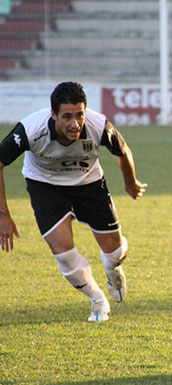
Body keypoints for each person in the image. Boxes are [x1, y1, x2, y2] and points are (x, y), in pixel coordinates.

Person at [0, 81, 147, 322]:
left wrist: (130, 182)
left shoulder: (98, 125)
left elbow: (123, 150)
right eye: (67, 116)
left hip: (89, 184)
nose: (75, 123)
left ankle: (112, 268)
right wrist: (3, 214)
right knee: (64, 252)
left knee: (116, 251)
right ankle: (97, 300)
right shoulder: (29, 130)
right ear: (53, 114)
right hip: (46, 186)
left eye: (79, 115)